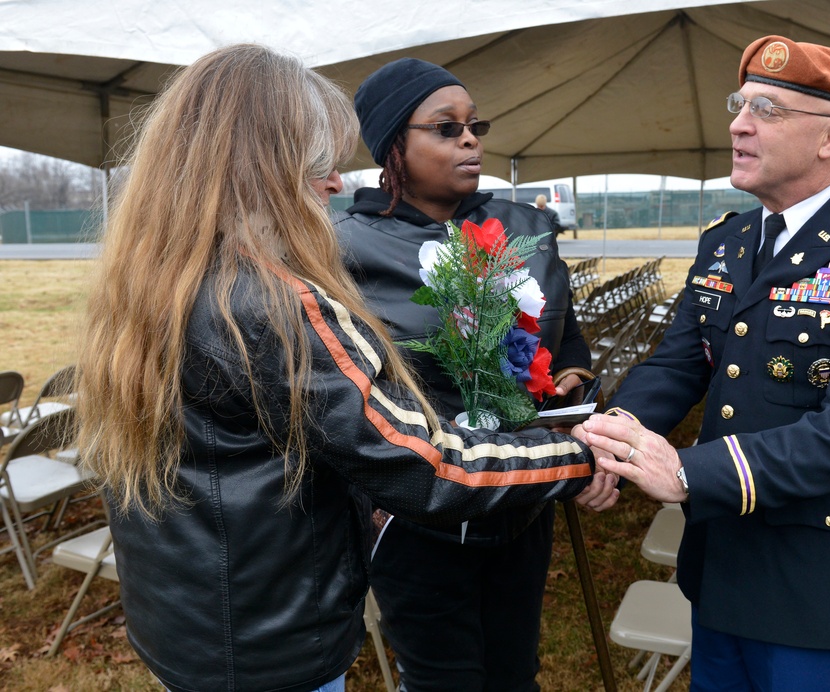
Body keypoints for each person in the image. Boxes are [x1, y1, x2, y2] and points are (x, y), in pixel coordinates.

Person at [74, 44, 600, 692]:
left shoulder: (159, 276)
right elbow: (426, 467)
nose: (332, 184)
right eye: (318, 164)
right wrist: (580, 456)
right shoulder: (271, 304)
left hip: (190, 627)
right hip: (276, 642)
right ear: (259, 167)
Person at [579, 36, 830, 691]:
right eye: (740, 105)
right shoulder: (727, 240)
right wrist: (615, 437)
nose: (737, 124)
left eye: (767, 111)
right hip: (720, 563)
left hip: (813, 580)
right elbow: (679, 364)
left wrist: (685, 471)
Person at [336, 57, 617, 692]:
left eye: (474, 125)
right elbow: (336, 385)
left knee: (515, 670)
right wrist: (375, 503)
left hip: (522, 494)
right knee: (445, 680)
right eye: (445, 127)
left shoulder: (524, 228)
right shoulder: (344, 248)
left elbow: (565, 329)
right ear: (393, 148)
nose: (470, 139)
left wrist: (571, 387)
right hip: (419, 510)